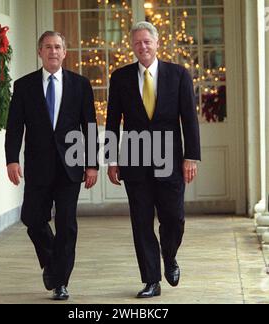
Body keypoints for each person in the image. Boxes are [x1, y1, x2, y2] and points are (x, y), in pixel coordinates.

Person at [105, 22, 201, 298]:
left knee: (174, 218)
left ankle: (169, 256)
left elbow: (189, 120)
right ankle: (151, 280)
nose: (143, 47)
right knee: (141, 222)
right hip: (134, 162)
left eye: (147, 41)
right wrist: (112, 159)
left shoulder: (179, 75)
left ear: (157, 43)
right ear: (132, 46)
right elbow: (113, 121)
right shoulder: (120, 77)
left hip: (169, 160)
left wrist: (191, 156)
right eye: (137, 43)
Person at [5, 31, 99, 300]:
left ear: (65, 52)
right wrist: (12, 159)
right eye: (48, 47)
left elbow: (89, 127)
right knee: (33, 219)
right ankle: (52, 263)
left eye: (58, 47)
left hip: (71, 166)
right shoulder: (23, 86)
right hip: (37, 166)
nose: (53, 51)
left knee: (67, 224)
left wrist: (92, 165)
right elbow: (14, 127)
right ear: (40, 52)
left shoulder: (80, 85)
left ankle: (61, 282)